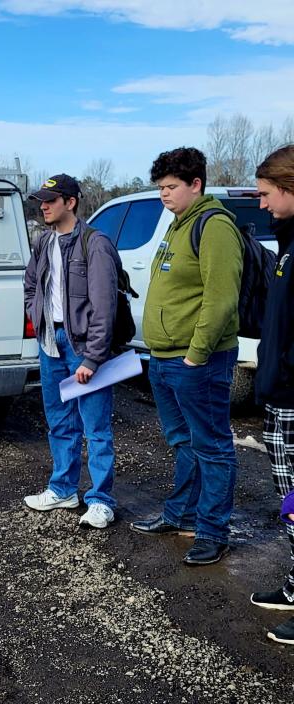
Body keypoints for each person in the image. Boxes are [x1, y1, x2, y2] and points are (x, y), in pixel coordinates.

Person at [130, 147, 243, 566]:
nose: (164, 194)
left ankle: (213, 532)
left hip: (198, 362)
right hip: (163, 358)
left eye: (172, 187)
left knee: (212, 447)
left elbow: (220, 298)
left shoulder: (213, 227)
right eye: (160, 187)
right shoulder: (177, 224)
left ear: (196, 184)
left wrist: (196, 355)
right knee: (183, 442)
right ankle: (181, 514)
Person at [23, 174, 120, 529]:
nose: (43, 206)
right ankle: (63, 489)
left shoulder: (95, 244)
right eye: (42, 200)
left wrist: (93, 358)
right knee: (60, 422)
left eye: (51, 200)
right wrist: (36, 313)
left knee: (95, 426)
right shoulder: (43, 242)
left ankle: (101, 500)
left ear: (71, 202)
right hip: (50, 343)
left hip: (82, 346)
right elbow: (30, 283)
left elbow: (104, 306)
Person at [247, 145, 294, 643]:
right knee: (291, 501)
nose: (260, 204)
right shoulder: (286, 246)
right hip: (281, 395)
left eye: (265, 194)